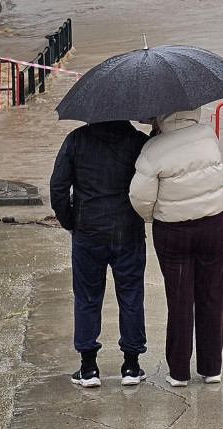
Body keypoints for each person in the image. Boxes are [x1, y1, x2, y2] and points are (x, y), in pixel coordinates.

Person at [129, 108, 223, 387]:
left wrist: (154, 216)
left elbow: (139, 196)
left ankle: (179, 372)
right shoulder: (208, 135)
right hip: (214, 226)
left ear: (160, 114)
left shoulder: (153, 149)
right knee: (212, 297)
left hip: (173, 232)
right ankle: (211, 368)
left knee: (179, 300)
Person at [50, 120, 151, 388]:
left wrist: (71, 222)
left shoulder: (75, 140)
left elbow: (58, 189)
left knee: (87, 298)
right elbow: (149, 186)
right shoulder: (138, 142)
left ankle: (88, 368)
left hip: (88, 232)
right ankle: (131, 366)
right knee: (130, 295)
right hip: (127, 232)